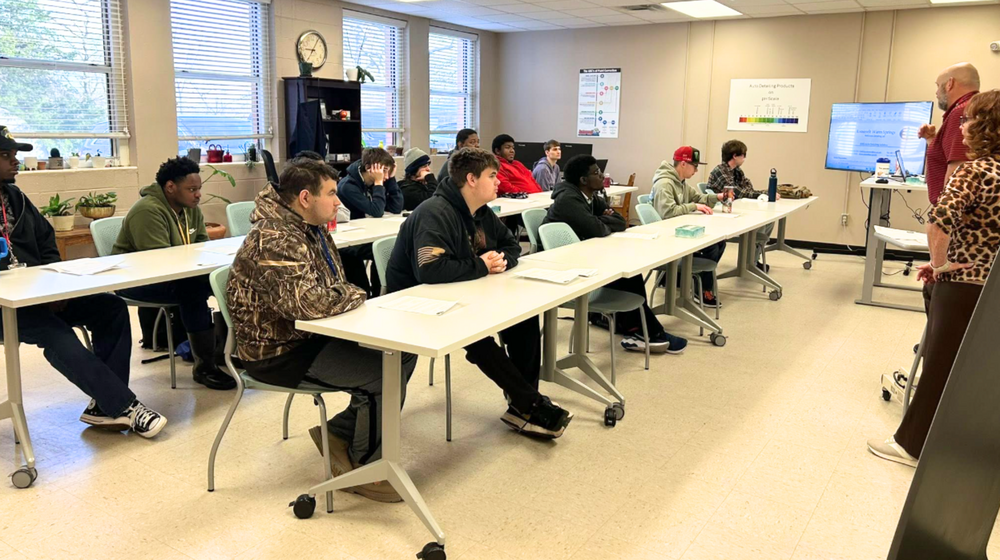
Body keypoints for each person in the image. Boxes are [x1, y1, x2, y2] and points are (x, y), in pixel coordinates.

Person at [228, 157, 417, 502]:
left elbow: (331, 287)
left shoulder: (308, 227)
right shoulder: (276, 238)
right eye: (331, 193)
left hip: (312, 335)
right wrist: (356, 293)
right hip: (279, 351)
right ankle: (366, 468)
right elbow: (309, 304)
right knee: (382, 376)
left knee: (403, 353)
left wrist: (344, 293)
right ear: (304, 198)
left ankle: (339, 433)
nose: (338, 201)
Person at [386, 148, 573, 438]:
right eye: (492, 176)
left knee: (523, 319)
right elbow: (430, 270)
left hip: (461, 289)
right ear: (471, 179)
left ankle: (522, 405)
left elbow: (511, 246)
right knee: (477, 335)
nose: (499, 182)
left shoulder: (480, 211)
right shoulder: (434, 212)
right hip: (416, 302)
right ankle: (530, 404)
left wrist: (497, 261)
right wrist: (481, 265)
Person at [0, 127, 166, 437]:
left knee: (111, 308)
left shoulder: (15, 197)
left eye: (15, 155)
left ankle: (105, 406)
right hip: (6, 308)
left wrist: (55, 288)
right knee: (57, 334)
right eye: (6, 156)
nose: (16, 163)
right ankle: (123, 406)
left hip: (39, 294)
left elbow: (46, 241)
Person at [868, 90, 1000, 467]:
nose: (964, 126)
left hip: (962, 287)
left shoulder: (975, 171)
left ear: (985, 126)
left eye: (969, 120)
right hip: (991, 287)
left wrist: (939, 266)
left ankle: (911, 446)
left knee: (939, 365)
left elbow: (939, 224)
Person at [543, 155, 688, 354]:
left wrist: (600, 220)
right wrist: (601, 220)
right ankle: (645, 331)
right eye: (596, 172)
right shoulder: (568, 199)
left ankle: (637, 330)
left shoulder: (592, 196)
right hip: (562, 267)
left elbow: (621, 222)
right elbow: (598, 229)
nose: (602, 175)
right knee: (625, 275)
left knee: (631, 273)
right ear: (583, 180)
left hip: (584, 254)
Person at [112, 157, 235, 391]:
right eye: (192, 189)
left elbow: (201, 246)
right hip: (136, 280)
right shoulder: (147, 211)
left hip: (179, 274)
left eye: (199, 189)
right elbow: (160, 261)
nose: (198, 195)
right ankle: (204, 366)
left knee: (229, 281)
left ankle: (231, 349)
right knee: (192, 290)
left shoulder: (191, 210)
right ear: (170, 187)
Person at [651, 146, 728, 307]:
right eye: (694, 166)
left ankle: (692, 280)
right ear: (684, 164)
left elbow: (699, 197)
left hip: (678, 230)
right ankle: (702, 290)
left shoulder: (682, 183)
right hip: (665, 236)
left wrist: (719, 197)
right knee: (710, 246)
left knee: (720, 242)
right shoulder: (664, 184)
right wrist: (693, 206)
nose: (696, 170)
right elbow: (668, 213)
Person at [337, 147, 403, 297]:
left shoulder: (374, 181)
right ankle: (379, 292)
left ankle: (383, 291)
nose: (385, 176)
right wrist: (379, 183)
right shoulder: (348, 186)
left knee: (390, 245)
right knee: (383, 248)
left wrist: (391, 180)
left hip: (366, 233)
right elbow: (376, 211)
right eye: (383, 171)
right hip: (349, 242)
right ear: (369, 168)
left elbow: (396, 207)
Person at [707, 140, 776, 270]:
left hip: (735, 209)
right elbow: (737, 192)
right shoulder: (720, 171)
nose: (745, 158)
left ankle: (753, 260)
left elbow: (748, 188)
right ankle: (749, 262)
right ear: (734, 156)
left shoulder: (737, 171)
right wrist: (761, 194)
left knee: (769, 221)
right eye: (743, 155)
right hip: (723, 212)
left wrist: (763, 193)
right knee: (759, 222)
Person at [919, 62, 980, 206]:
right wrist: (932, 140)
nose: (936, 93)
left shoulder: (961, 112)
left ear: (949, 84)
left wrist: (942, 217)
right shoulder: (976, 107)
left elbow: (958, 171)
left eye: (938, 86)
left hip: (955, 212)